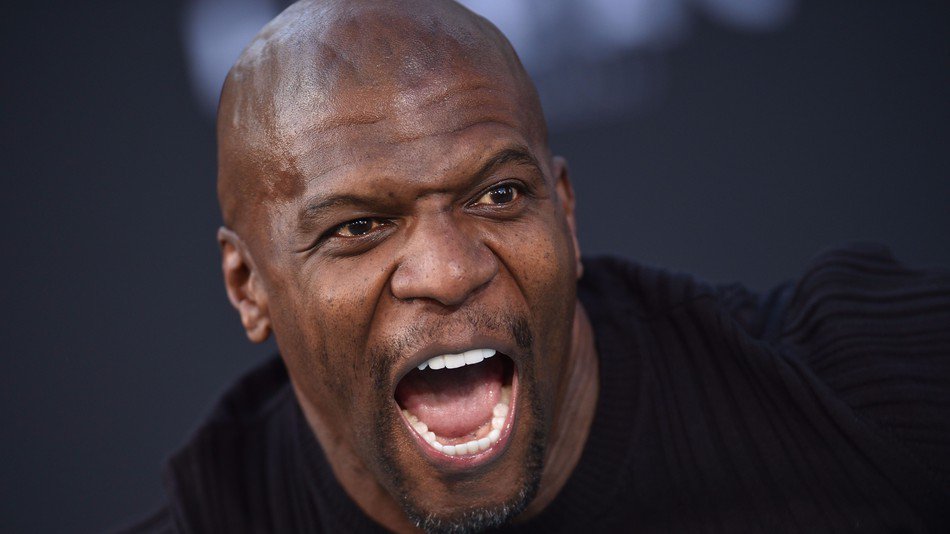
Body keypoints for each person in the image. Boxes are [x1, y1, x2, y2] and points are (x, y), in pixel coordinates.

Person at [126, 0, 950, 532]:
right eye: (360, 227)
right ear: (249, 287)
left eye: (498, 195)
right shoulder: (224, 513)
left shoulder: (856, 392)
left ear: (566, 212)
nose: (449, 272)